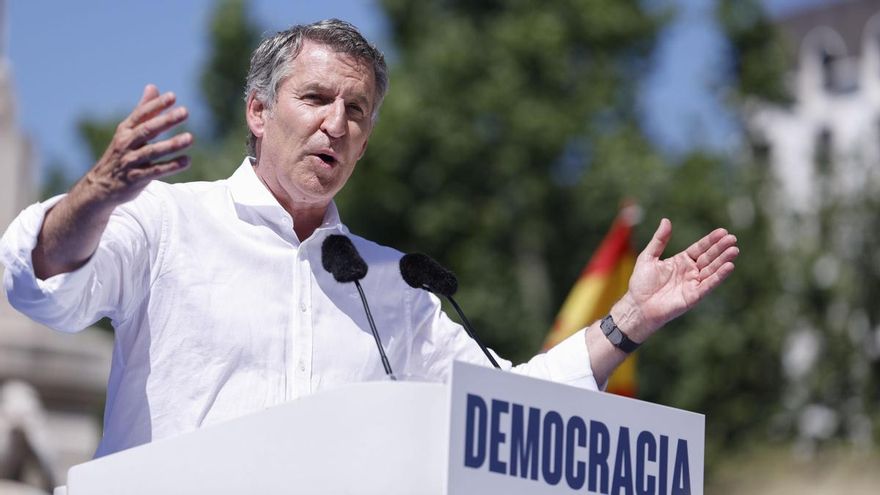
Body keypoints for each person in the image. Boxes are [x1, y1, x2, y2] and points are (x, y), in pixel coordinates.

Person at [0, 19, 739, 457]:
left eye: (356, 110)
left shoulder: (392, 283)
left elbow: (509, 404)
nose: (337, 123)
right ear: (258, 111)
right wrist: (98, 191)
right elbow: (38, 284)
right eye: (315, 98)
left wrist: (629, 319)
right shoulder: (167, 222)